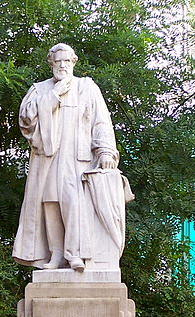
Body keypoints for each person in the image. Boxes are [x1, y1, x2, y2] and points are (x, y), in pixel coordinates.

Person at [12, 43, 120, 272]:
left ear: (73, 62)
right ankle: (56, 254)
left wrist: (105, 151)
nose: (62, 65)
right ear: (51, 63)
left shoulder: (87, 87)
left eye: (66, 61)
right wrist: (53, 96)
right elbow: (26, 120)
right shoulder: (40, 90)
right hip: (49, 159)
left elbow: (101, 122)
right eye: (58, 61)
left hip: (77, 159)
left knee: (73, 204)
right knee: (50, 202)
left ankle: (75, 254)